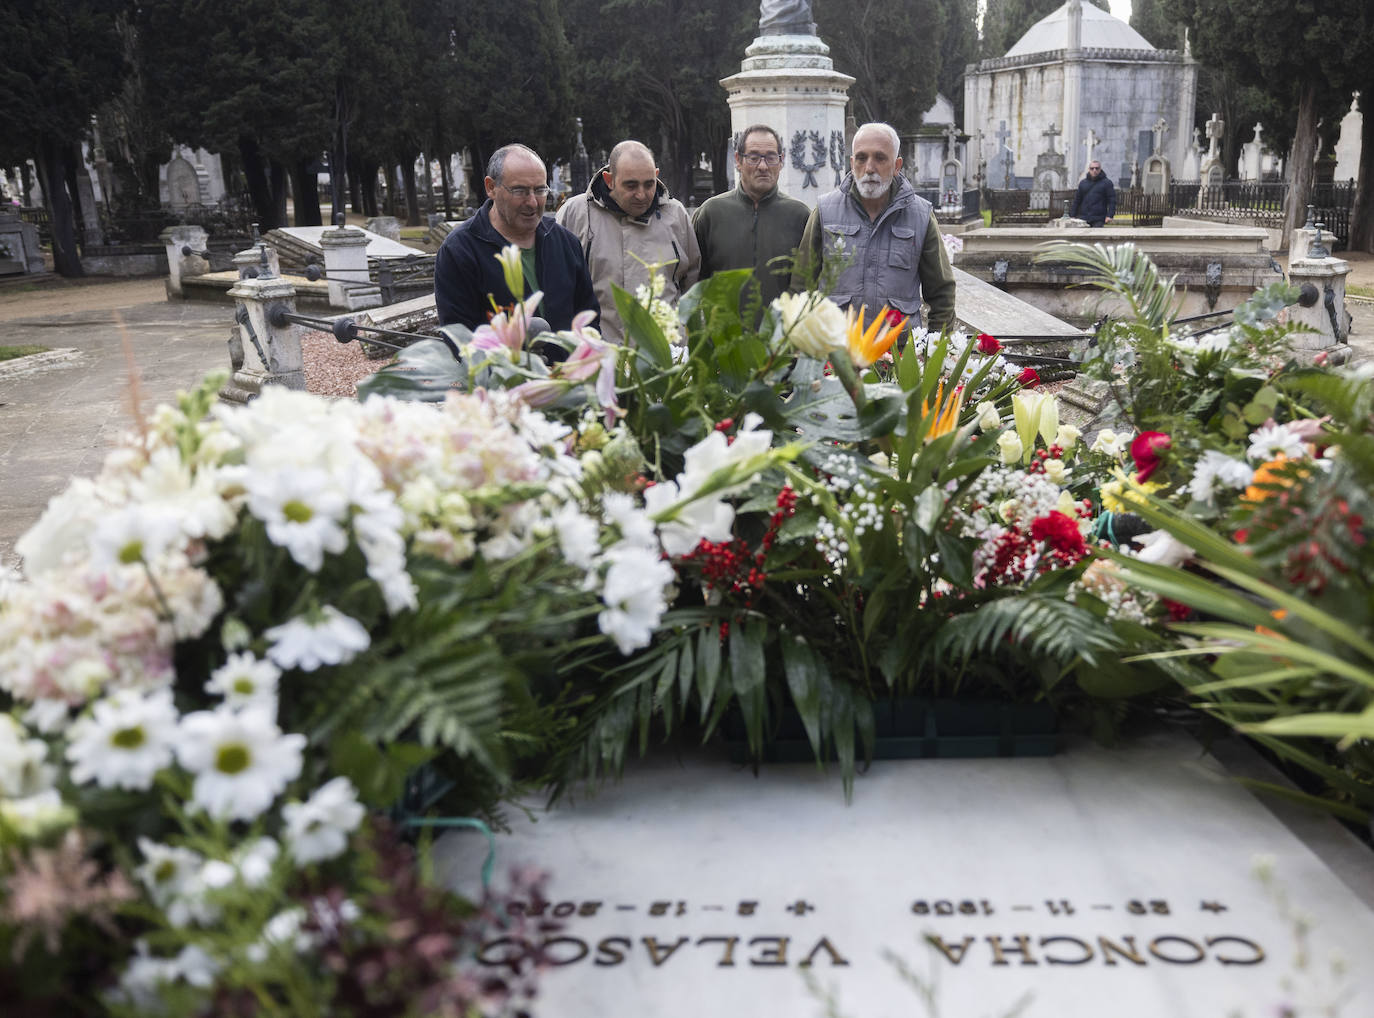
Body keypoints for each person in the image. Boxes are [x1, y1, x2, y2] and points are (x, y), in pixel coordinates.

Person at [790, 122, 956, 332]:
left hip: (898, 354)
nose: (869, 168)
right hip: (836, 353)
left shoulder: (920, 216)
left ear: (897, 166)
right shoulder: (825, 211)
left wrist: (934, 350)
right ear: (852, 163)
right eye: (861, 158)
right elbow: (801, 285)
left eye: (880, 158)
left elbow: (942, 293)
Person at [434, 143, 598, 334]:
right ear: (491, 187)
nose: (532, 202)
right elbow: (460, 336)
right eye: (519, 191)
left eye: (539, 190)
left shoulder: (565, 243)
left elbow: (588, 318)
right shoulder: (460, 251)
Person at [556, 140, 700, 343]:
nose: (641, 194)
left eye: (649, 184)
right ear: (609, 180)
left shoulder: (676, 215)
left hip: (665, 358)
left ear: (656, 175)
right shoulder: (575, 214)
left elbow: (691, 285)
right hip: (600, 356)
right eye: (631, 185)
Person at [693, 124, 810, 311]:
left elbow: (809, 283)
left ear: (781, 161)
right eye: (754, 157)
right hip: (723, 336)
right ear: (738, 160)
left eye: (771, 157)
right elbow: (693, 283)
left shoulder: (800, 216)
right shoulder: (710, 214)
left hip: (782, 336)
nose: (763, 166)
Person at [1070, 160, 1116, 227]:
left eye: (1097, 168)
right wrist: (1072, 215)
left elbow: (1112, 201)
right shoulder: (1083, 183)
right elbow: (1077, 200)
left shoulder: (1107, 183)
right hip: (1083, 218)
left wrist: (1110, 215)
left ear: (1100, 169)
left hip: (1099, 219)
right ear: (1089, 169)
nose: (1094, 170)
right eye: (1092, 168)